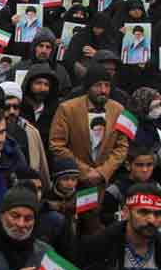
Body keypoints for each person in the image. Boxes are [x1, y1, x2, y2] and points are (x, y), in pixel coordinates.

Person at [49, 61, 130, 191]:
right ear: (88, 87)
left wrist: (102, 172)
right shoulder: (67, 109)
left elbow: (122, 146)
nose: (103, 90)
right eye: (98, 85)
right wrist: (84, 171)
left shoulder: (118, 110)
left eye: (107, 85)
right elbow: (57, 144)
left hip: (103, 182)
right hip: (73, 181)